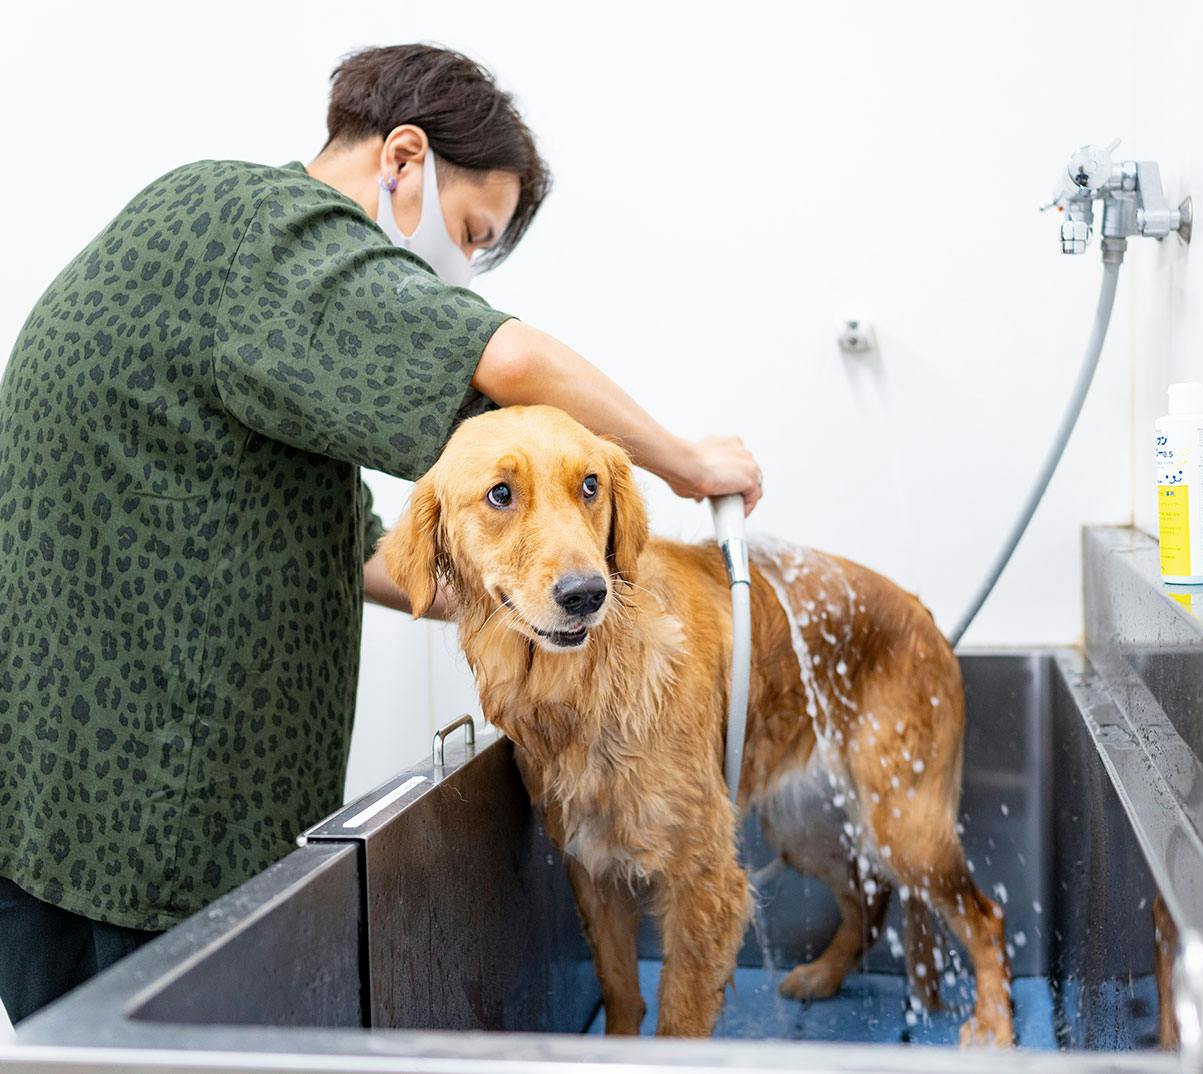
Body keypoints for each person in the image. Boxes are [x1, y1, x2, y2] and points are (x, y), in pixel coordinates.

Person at [0, 43, 761, 1022]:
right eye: (469, 234)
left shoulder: (242, 285)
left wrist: (533, 595)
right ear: (404, 159)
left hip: (55, 800)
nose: (462, 274)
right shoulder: (272, 231)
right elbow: (511, 360)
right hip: (149, 813)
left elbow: (368, 554)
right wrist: (686, 464)